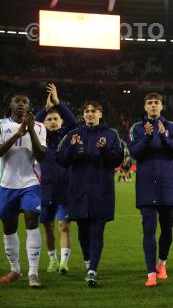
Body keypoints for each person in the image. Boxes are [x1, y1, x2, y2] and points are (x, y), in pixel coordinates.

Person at [56, 101, 124, 287]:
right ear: (83, 115)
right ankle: (88, 264)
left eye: (94, 111)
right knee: (83, 232)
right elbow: (61, 159)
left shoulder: (111, 135)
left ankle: (92, 270)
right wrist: (71, 148)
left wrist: (104, 149)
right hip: (78, 191)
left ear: (100, 114)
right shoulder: (73, 135)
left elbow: (118, 159)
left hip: (101, 191)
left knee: (97, 231)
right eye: (86, 111)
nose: (89, 114)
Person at [128, 93, 173, 287]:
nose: (153, 106)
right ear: (145, 107)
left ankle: (162, 263)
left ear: (162, 106)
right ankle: (151, 271)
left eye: (156, 103)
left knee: (167, 228)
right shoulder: (137, 128)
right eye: (150, 103)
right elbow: (134, 153)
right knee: (149, 230)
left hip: (168, 185)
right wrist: (147, 138)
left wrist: (163, 137)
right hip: (146, 186)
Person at [0, 93, 46, 287]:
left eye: (25, 102)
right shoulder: (2, 125)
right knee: (9, 228)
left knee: (31, 219)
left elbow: (41, 156)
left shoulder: (39, 126)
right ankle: (15, 269)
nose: (21, 104)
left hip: (30, 183)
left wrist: (30, 131)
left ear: (29, 106)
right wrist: (18, 134)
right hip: (7, 184)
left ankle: (33, 273)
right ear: (11, 105)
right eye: (17, 101)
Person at [35, 83, 77, 275]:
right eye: (49, 119)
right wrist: (45, 108)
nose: (52, 122)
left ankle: (64, 263)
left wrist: (58, 103)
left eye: (55, 119)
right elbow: (33, 123)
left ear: (61, 122)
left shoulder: (67, 137)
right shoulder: (40, 140)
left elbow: (74, 122)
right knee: (48, 227)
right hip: (45, 190)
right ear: (44, 123)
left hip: (65, 190)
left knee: (64, 226)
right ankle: (52, 260)